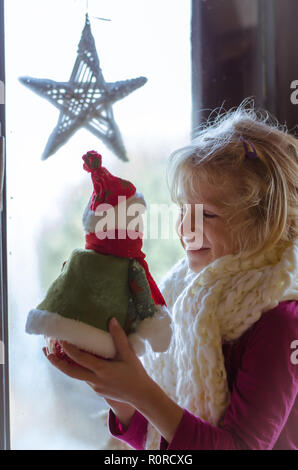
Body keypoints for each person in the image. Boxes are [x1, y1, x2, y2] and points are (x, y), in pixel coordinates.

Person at [43, 101, 298, 450]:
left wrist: (141, 391)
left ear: (267, 224)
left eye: (206, 214)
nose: (186, 227)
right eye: (182, 209)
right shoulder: (185, 296)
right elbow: (163, 444)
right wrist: (117, 391)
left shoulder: (281, 323)